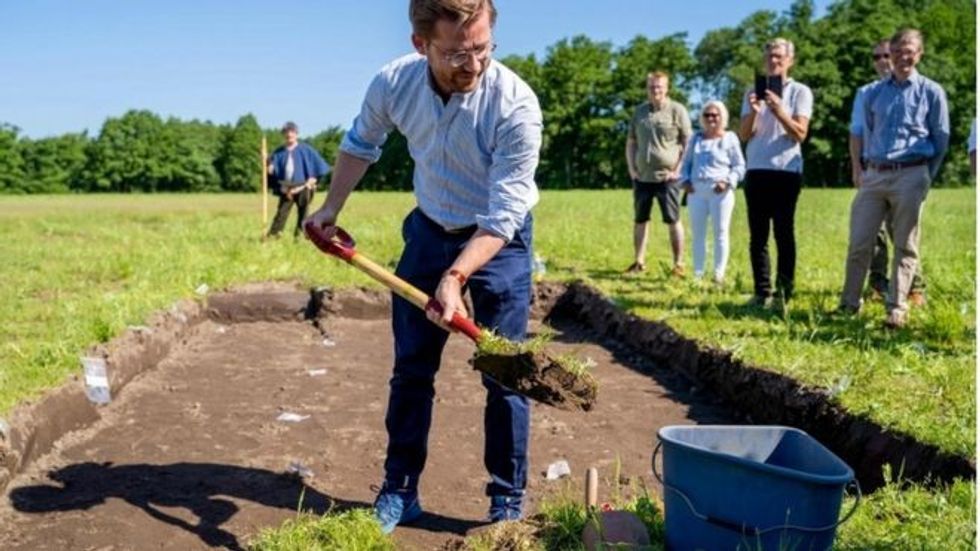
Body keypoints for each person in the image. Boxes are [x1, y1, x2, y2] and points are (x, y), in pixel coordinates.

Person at [305, 0, 541, 533]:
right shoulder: (393, 83)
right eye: (458, 53)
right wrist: (331, 208)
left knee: (506, 373)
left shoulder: (515, 105)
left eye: (483, 49)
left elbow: (504, 215)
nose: (474, 65)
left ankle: (506, 501)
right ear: (421, 46)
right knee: (412, 370)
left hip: (498, 241)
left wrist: (455, 277)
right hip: (431, 228)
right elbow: (361, 143)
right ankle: (399, 490)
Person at [839, 28, 949, 328]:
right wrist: (861, 168)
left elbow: (941, 139)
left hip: (911, 174)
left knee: (905, 245)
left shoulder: (931, 91)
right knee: (860, 242)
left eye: (909, 50)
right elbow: (865, 133)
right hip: (875, 175)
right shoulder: (873, 93)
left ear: (920, 53)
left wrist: (927, 176)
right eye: (897, 50)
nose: (903, 56)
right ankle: (849, 304)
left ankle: (897, 308)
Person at [850, 40, 927, 305]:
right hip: (874, 171)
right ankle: (878, 282)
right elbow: (856, 133)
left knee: (903, 231)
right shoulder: (867, 92)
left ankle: (914, 285)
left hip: (905, 171)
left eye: (887, 54)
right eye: (877, 56)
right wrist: (857, 167)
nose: (883, 60)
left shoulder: (918, 89)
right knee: (873, 235)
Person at [738, 38, 812, 306]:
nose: (774, 61)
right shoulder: (752, 91)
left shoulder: (800, 92)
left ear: (790, 60)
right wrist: (755, 112)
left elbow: (800, 134)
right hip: (756, 169)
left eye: (779, 56)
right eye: (770, 56)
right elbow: (745, 135)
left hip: (785, 170)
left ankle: (783, 293)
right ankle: (761, 292)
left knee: (783, 232)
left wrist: (779, 110)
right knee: (757, 236)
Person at [625, 71, 692, 276]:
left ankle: (678, 265)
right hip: (642, 178)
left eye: (659, 87)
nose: (655, 90)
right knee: (640, 220)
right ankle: (638, 262)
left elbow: (687, 142)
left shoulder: (677, 110)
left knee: (673, 220)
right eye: (652, 87)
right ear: (647, 88)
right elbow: (631, 142)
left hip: (667, 177)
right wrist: (632, 168)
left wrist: (678, 170)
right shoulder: (640, 112)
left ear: (667, 88)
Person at [678, 101, 745, 284]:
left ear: (722, 117)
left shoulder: (730, 138)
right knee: (698, 233)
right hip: (696, 190)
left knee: (720, 232)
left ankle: (718, 274)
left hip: (720, 191)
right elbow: (685, 164)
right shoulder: (696, 138)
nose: (711, 119)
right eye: (707, 115)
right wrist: (684, 181)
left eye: (715, 115)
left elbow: (739, 166)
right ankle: (698, 274)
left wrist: (728, 181)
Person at [266, 122, 330, 239]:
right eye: (286, 132)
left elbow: (319, 165)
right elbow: (272, 169)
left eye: (292, 132)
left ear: (296, 134)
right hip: (286, 188)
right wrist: (269, 165)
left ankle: (300, 235)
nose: (289, 134)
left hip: (303, 187)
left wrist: (314, 179)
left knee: (303, 212)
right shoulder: (278, 152)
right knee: (281, 213)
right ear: (283, 134)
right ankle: (274, 235)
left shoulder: (306, 150)